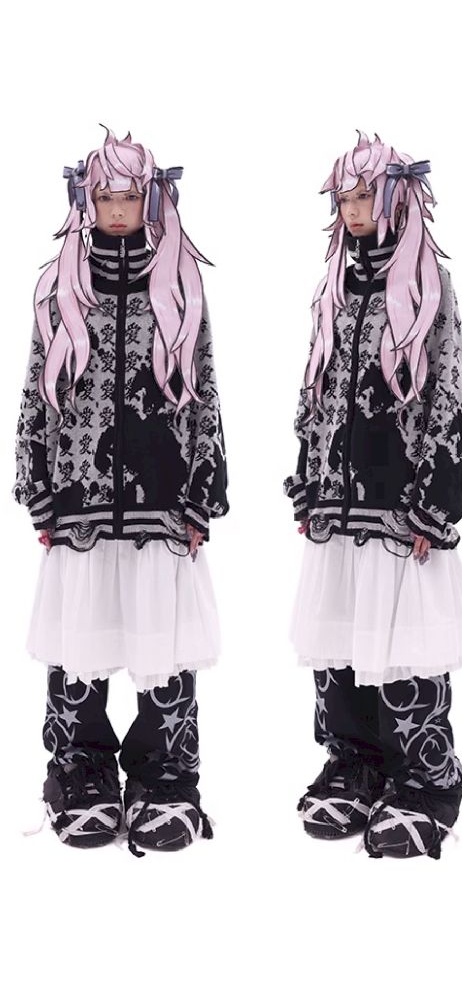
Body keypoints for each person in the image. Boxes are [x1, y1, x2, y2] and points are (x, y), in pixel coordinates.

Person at [14, 128, 229, 855]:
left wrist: (201, 491)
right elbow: (37, 389)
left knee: (160, 643)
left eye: (128, 196)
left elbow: (203, 391)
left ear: (150, 200)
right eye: (104, 195)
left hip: (160, 501)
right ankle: (81, 772)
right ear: (85, 197)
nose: (115, 209)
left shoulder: (179, 289)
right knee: (80, 641)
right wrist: (37, 483)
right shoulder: (60, 290)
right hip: (79, 499)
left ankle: (167, 775)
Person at [284, 132, 462, 859]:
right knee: (338, 637)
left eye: (368, 195)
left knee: (403, 645)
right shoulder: (330, 288)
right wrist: (308, 476)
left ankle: (424, 777)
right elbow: (314, 384)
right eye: (346, 198)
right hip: (336, 502)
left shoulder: (429, 288)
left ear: (399, 197)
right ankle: (353, 764)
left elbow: (449, 390)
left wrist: (437, 499)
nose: (356, 210)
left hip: (400, 503)